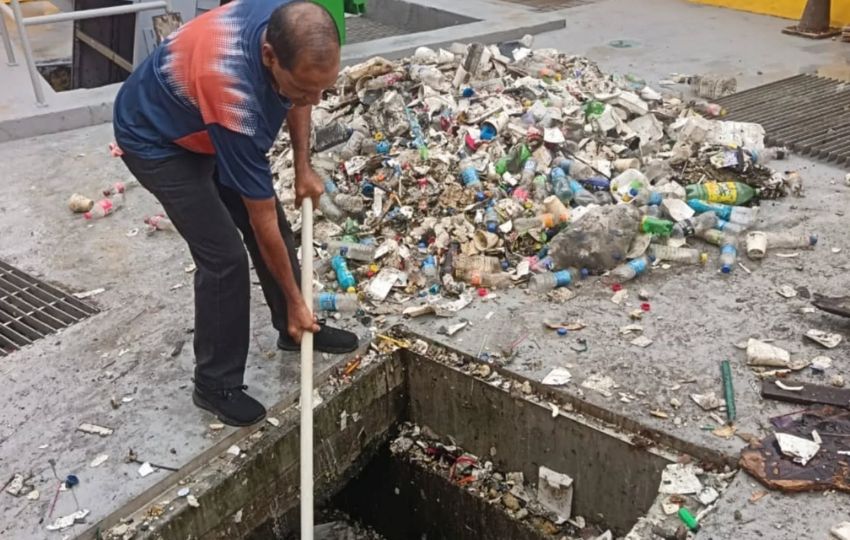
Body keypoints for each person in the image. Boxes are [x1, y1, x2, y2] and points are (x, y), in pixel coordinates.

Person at [113, 0, 358, 427]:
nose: (315, 99)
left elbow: (300, 94)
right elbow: (258, 216)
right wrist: (301, 298)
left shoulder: (290, 29)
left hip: (202, 120)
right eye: (306, 88)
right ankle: (214, 383)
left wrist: (303, 166)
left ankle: (294, 328)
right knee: (224, 256)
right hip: (155, 139)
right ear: (268, 57)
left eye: (325, 88)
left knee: (276, 228)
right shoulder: (232, 91)